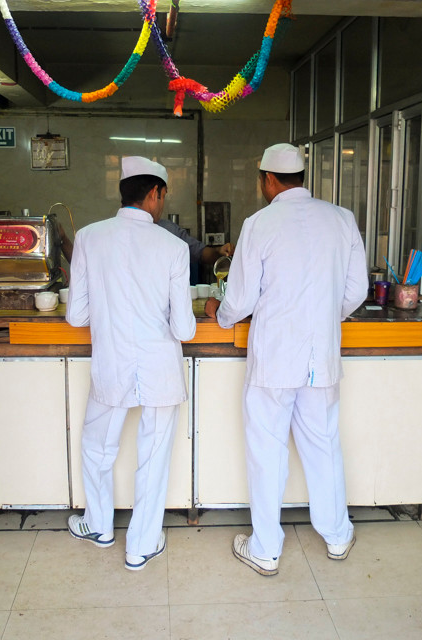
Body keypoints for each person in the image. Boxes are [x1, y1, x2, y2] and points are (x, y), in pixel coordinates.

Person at [205, 143, 368, 576]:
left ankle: (265, 549)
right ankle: (336, 536)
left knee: (267, 452)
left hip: (274, 358)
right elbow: (357, 291)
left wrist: (217, 314)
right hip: (321, 359)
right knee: (324, 445)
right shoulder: (342, 219)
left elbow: (238, 300)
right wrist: (321, 317)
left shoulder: (260, 223)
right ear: (301, 176)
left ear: (268, 180)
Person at [65, 156, 196, 571]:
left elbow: (76, 317)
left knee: (97, 446)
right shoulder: (173, 247)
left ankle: (99, 525)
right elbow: (185, 329)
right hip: (160, 366)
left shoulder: (89, 236)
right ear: (155, 194)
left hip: (111, 363)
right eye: (163, 195)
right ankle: (140, 545)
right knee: (153, 454)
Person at [56, 212, 233, 282]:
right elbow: (84, 264)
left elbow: (200, 252)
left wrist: (218, 252)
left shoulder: (169, 230)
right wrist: (63, 240)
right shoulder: (107, 235)